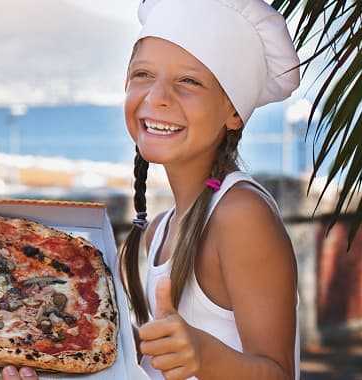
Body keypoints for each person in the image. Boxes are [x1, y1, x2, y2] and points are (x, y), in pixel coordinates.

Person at [118, 0, 302, 379]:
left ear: (233, 113)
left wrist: (203, 354)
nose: (156, 97)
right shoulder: (160, 230)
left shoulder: (240, 216)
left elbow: (278, 373)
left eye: (189, 81)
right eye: (143, 74)